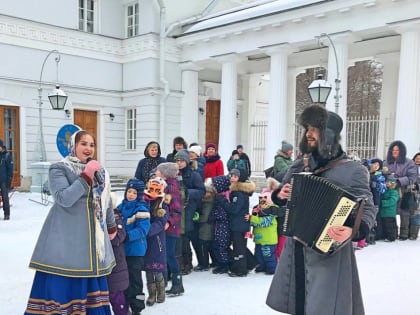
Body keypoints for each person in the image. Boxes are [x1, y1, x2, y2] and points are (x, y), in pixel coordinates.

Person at [266, 105, 376, 315]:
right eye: (307, 128)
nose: (308, 133)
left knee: (325, 307)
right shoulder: (300, 165)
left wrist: (354, 229)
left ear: (330, 134)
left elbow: (368, 205)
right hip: (295, 250)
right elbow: (282, 192)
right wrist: (279, 195)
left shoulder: (353, 170)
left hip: (329, 253)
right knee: (299, 304)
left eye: (315, 128)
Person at [25, 130, 117, 314]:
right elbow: (63, 198)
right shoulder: (59, 168)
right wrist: (85, 177)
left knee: (91, 288)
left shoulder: (101, 171)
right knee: (64, 284)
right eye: (83, 143)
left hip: (92, 244)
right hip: (65, 242)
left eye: (92, 145)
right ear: (73, 146)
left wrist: (110, 224)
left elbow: (105, 200)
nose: (88, 148)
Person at [118, 178, 151, 315]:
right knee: (124, 279)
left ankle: (137, 307)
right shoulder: (120, 207)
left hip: (136, 251)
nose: (130, 195)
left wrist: (126, 235)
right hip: (122, 251)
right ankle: (125, 303)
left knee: (135, 280)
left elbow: (143, 230)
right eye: (129, 191)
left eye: (134, 193)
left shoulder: (141, 209)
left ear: (139, 194)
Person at [215, 168, 256, 277]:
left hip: (239, 225)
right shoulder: (237, 191)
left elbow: (234, 209)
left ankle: (241, 270)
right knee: (240, 245)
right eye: (231, 175)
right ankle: (251, 262)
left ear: (240, 179)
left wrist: (222, 200)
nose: (232, 178)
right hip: (239, 224)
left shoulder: (239, 193)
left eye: (235, 176)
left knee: (239, 248)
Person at [175, 149, 206, 272]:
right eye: (177, 160)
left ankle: (187, 263)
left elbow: (201, 191)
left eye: (182, 160)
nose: (179, 163)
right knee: (179, 237)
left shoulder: (194, 175)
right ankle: (181, 262)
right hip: (177, 209)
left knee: (186, 236)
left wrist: (187, 193)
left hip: (190, 209)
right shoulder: (174, 174)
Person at [155, 162, 184, 296]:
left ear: (165, 173)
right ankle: (165, 281)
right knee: (164, 255)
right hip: (163, 226)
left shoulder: (171, 187)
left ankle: (178, 284)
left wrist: (169, 222)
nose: (156, 172)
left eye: (158, 171)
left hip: (170, 228)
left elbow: (177, 210)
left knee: (170, 255)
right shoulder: (162, 184)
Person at [383, 140, 417, 240]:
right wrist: (388, 179)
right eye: (393, 150)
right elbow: (382, 174)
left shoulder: (409, 162)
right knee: (390, 212)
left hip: (404, 191)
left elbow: (412, 177)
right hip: (389, 191)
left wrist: (398, 181)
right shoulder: (386, 162)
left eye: (397, 150)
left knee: (404, 212)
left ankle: (404, 234)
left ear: (401, 151)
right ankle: (392, 233)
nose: (395, 152)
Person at [143, 176, 169, 306]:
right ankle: (151, 294)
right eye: (151, 188)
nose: (153, 192)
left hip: (157, 240)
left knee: (157, 270)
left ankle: (161, 292)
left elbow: (162, 221)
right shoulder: (143, 202)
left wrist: (148, 230)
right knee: (148, 271)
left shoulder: (162, 204)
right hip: (146, 242)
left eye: (156, 189)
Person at [107, 193, 130, 315]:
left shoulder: (116, 217)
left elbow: (118, 237)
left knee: (116, 296)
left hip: (116, 264)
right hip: (105, 265)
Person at [246, 187, 278, 275]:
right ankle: (261, 267)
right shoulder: (259, 213)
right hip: (259, 239)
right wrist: (255, 213)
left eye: (264, 204)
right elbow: (254, 224)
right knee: (259, 255)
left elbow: (262, 223)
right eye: (261, 203)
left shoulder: (271, 216)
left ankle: (272, 269)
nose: (262, 206)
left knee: (268, 256)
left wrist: (252, 218)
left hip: (268, 241)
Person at [380, 173, 399, 242]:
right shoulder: (386, 190)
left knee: (389, 225)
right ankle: (389, 235)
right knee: (386, 225)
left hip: (389, 212)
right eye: (386, 181)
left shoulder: (394, 192)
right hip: (384, 212)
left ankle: (391, 237)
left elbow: (392, 201)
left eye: (388, 182)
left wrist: (383, 203)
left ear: (392, 183)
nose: (386, 183)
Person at [0, 139, 13, 220]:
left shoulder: (7, 156)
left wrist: (9, 179)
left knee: (5, 197)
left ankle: (6, 214)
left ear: (1, 147)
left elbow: (10, 169)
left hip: (4, 180)